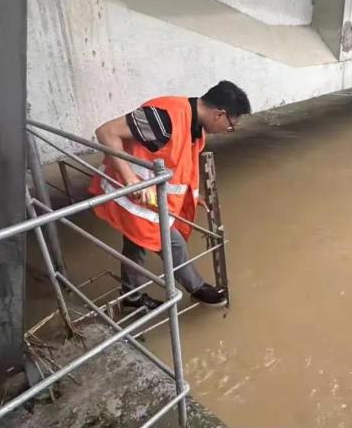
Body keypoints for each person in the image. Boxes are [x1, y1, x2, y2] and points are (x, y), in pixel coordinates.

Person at [88, 81, 251, 309]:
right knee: (171, 243)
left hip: (147, 198)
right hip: (131, 193)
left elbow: (179, 167)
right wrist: (131, 181)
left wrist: (192, 198)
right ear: (219, 114)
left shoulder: (193, 125)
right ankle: (197, 288)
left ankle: (132, 297)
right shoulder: (165, 118)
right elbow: (106, 132)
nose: (227, 131)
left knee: (136, 243)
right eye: (231, 126)